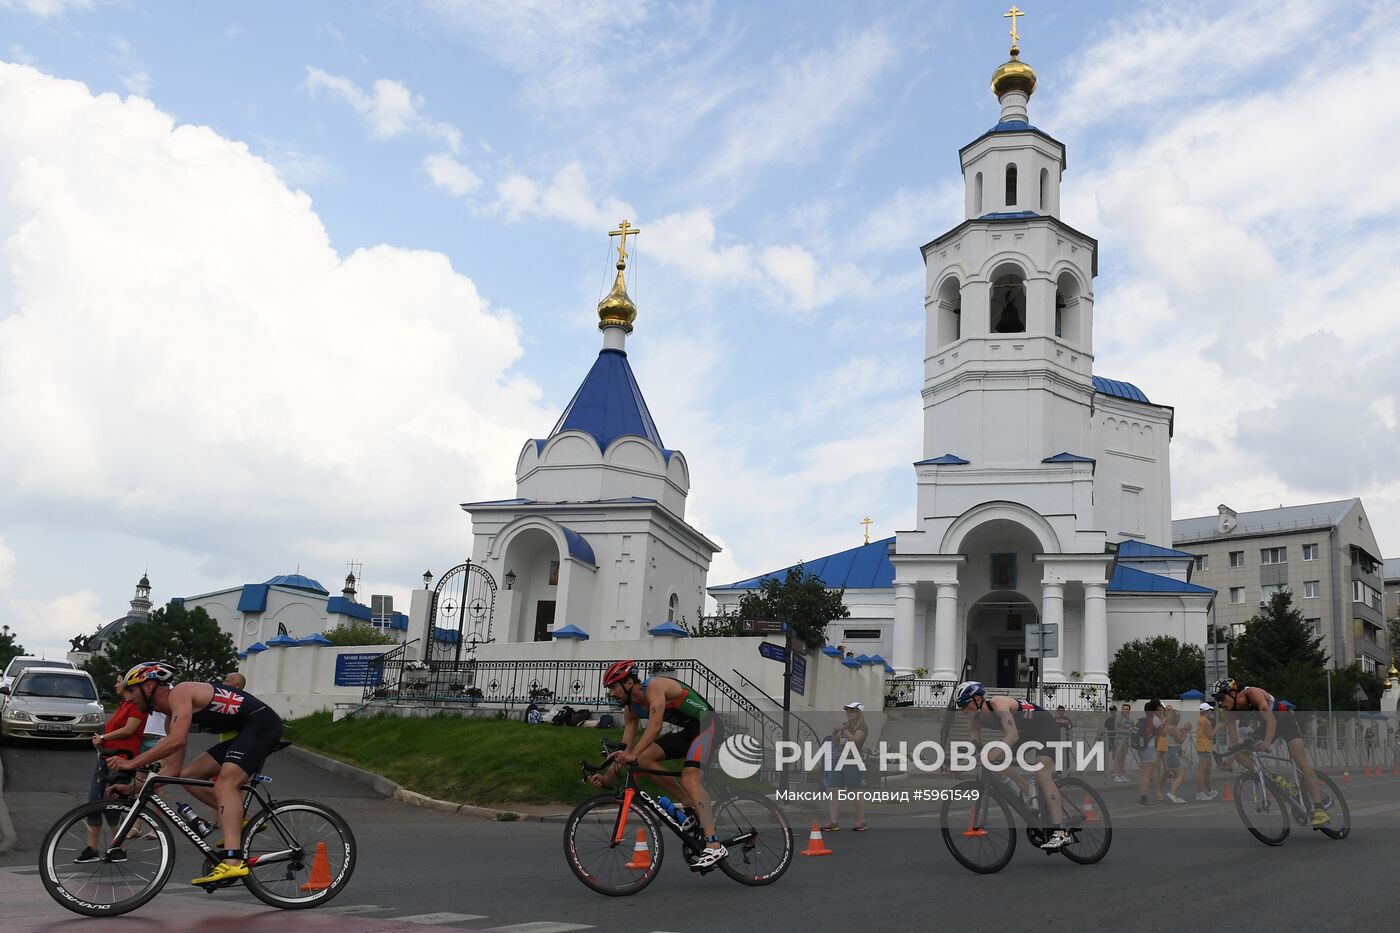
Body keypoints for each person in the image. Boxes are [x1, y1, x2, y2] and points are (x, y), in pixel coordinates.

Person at [107, 661, 286, 884]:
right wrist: (132, 789)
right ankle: (244, 821)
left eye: (132, 690)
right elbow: (171, 771)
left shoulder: (180, 693)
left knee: (226, 784)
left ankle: (233, 862)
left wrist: (132, 763)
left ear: (150, 686)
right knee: (188, 776)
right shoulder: (169, 718)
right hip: (247, 731)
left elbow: (177, 740)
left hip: (263, 725)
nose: (129, 697)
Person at [591, 660, 727, 869]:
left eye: (613, 687)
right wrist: (607, 776)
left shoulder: (653, 686)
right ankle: (688, 804)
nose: (611, 694)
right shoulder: (631, 710)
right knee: (643, 760)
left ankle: (714, 844)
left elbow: (655, 726)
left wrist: (633, 754)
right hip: (689, 731)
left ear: (628, 682)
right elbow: (626, 750)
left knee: (689, 778)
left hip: (708, 724)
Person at [954, 682, 1072, 851]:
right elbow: (978, 751)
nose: (964, 710)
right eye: (960, 706)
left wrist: (991, 754)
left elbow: (1012, 735)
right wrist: (959, 766)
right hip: (1025, 734)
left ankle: (1060, 832)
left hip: (1044, 727)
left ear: (979, 699)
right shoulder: (974, 721)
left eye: (966, 704)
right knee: (994, 760)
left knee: (1041, 773)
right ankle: (1028, 790)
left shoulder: (999, 704)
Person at [1211, 678, 1328, 827]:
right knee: (1240, 753)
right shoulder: (1227, 711)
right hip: (1266, 726)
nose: (1220, 703)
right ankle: (1272, 779)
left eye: (1221, 698)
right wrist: (1229, 757)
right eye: (1216, 700)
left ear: (1233, 692)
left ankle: (1319, 809)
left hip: (1284, 720)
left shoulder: (1252, 693)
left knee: (1301, 761)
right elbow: (1234, 742)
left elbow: (1271, 720)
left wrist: (1266, 742)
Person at [74, 679, 148, 863]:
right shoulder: (123, 705)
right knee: (94, 801)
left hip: (122, 759)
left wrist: (103, 737)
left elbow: (129, 730)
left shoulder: (136, 706)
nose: (115, 685)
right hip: (106, 757)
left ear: (129, 683)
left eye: (118, 681)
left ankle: (117, 847)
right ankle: (91, 848)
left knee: (113, 803)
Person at [823, 701, 869, 833]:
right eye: (847, 710)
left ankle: (861, 820)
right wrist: (834, 733)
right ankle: (834, 821)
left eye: (852, 710)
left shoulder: (862, 727)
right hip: (839, 758)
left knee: (854, 790)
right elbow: (836, 743)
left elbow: (855, 740)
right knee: (832, 789)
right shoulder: (845, 725)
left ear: (858, 713)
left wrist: (844, 730)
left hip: (852, 759)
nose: (849, 713)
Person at [1136, 700, 1164, 807]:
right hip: (1150, 748)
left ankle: (1143, 797)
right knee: (1147, 775)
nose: (1161, 709)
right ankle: (1143, 798)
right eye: (1160, 707)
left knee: (1144, 773)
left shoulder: (1146, 719)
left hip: (1142, 747)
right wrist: (1164, 720)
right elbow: (1163, 733)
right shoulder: (1155, 719)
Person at [1159, 708, 1189, 804]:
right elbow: (1180, 740)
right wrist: (1186, 731)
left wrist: (1183, 730)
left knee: (1175, 775)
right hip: (1173, 752)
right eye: (1178, 717)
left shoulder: (1171, 727)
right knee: (1181, 774)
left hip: (1172, 752)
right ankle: (1172, 793)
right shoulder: (1171, 728)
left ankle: (1175, 795)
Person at [1195, 702, 1217, 800]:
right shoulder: (1206, 721)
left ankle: (1210, 791)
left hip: (1204, 747)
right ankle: (1199, 793)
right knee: (1202, 771)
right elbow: (1210, 735)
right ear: (1206, 711)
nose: (1210, 712)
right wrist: (1217, 728)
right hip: (1204, 747)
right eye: (1209, 711)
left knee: (1207, 771)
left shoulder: (1201, 720)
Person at [1109, 703, 1133, 783]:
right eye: (1124, 709)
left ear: (1129, 710)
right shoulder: (1119, 717)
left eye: (1127, 709)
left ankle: (1121, 774)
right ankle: (1115, 774)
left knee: (1123, 758)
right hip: (1119, 739)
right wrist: (1125, 731)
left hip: (1126, 740)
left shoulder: (1130, 719)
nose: (1125, 710)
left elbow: (1132, 727)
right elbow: (1116, 728)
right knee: (1118, 757)